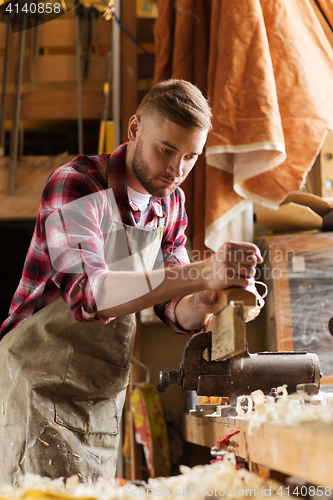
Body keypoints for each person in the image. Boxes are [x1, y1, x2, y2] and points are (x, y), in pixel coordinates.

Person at [0, 79, 262, 485]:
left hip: (100, 398)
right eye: (167, 150)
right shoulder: (77, 184)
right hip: (36, 386)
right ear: (135, 128)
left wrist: (207, 300)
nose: (177, 171)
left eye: (191, 157)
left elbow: (173, 308)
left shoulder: (170, 204)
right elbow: (91, 296)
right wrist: (203, 271)